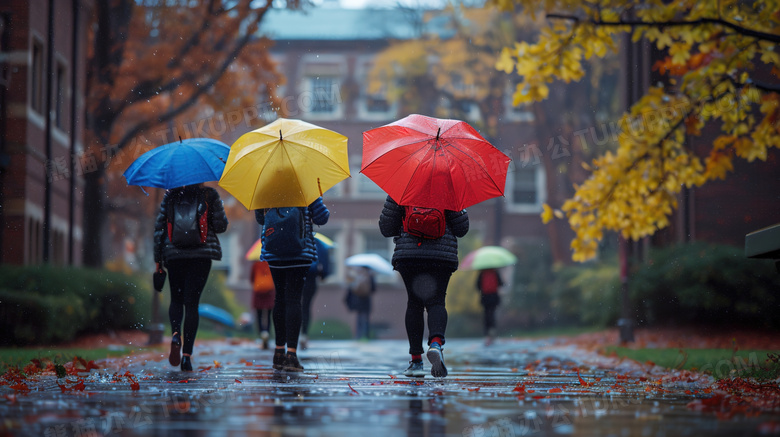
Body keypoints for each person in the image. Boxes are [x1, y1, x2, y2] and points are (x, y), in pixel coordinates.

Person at [379, 196, 469, 378]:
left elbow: (386, 228)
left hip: (409, 254)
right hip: (441, 255)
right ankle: (436, 344)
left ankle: (416, 361)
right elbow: (461, 229)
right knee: (437, 302)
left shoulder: (402, 186)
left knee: (414, 304)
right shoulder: (449, 187)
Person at [154, 183, 228, 372]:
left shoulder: (171, 195)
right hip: (201, 256)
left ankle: (176, 335)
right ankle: (186, 356)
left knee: (176, 300)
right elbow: (221, 226)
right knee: (192, 304)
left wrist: (158, 259)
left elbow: (159, 228)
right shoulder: (209, 194)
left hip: (174, 254)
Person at [255, 197, 329, 372]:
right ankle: (292, 355)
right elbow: (322, 218)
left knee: (280, 299)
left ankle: (278, 352)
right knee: (294, 300)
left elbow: (260, 218)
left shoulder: (266, 187)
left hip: (275, 252)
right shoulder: (305, 185)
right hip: (300, 251)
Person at [300, 236, 332, 350]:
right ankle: (304, 334)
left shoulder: (295, 237)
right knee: (306, 306)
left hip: (295, 274)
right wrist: (323, 275)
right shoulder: (317, 242)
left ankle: (292, 334)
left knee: (294, 303)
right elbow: (324, 260)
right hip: (311, 277)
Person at [251, 260, 275, 350]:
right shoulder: (271, 263)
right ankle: (267, 333)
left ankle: (262, 334)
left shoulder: (256, 264)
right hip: (270, 291)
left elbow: (252, 279)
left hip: (258, 292)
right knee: (268, 315)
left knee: (259, 315)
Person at [347, 266, 376, 340]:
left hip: (359, 300)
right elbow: (373, 289)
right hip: (366, 301)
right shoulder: (370, 277)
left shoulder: (358, 277)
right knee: (365, 319)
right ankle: (365, 336)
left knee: (359, 319)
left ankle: (358, 336)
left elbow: (352, 289)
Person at [476, 268, 503, 346]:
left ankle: (487, 335)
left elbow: (477, 286)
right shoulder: (495, 272)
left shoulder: (482, 273)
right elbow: (501, 284)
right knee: (492, 314)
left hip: (485, 298)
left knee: (486, 315)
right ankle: (492, 332)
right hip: (494, 297)